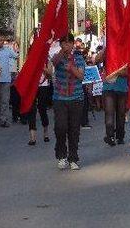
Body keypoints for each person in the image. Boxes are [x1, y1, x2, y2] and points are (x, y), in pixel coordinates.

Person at [52, 33, 86, 171]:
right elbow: (53, 63)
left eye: (69, 43)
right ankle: (61, 155)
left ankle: (73, 157)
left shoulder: (78, 57)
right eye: (64, 43)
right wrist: (62, 53)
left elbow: (81, 76)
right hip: (60, 98)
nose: (67, 45)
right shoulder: (57, 57)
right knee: (60, 127)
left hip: (76, 98)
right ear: (61, 44)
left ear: (73, 44)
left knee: (74, 129)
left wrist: (71, 68)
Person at [96, 50, 128, 147]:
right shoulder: (108, 52)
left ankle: (120, 136)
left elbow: (127, 72)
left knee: (121, 114)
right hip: (108, 88)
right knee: (109, 113)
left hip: (122, 88)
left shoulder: (125, 53)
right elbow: (97, 59)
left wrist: (114, 70)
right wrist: (106, 48)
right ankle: (110, 136)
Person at [0, 34, 18, 128]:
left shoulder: (8, 50)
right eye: (0, 40)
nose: (2, 42)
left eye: (3, 40)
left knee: (4, 101)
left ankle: (4, 120)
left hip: (6, 79)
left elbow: (17, 56)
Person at [27, 63, 52, 145]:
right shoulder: (31, 58)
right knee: (31, 110)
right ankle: (32, 137)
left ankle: (46, 132)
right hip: (32, 86)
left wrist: (43, 68)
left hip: (43, 86)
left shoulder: (47, 60)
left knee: (42, 109)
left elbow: (50, 74)